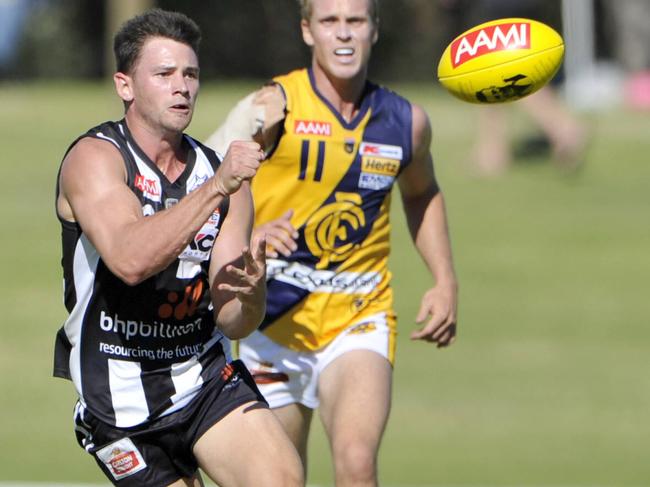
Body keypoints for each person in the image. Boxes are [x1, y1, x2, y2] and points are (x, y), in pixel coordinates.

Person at [206, 0, 458, 484]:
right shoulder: (275, 106)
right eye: (329, 22)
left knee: (357, 463)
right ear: (307, 31)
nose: (343, 35)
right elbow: (210, 185)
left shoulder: (407, 122)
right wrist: (251, 233)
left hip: (358, 314)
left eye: (355, 21)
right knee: (281, 477)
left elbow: (422, 192)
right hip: (270, 319)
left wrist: (445, 280)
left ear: (374, 30)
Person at [52, 9, 303, 487]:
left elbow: (235, 320)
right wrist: (215, 190)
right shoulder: (95, 159)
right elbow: (129, 261)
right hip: (119, 401)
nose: (182, 86)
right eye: (164, 74)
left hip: (203, 377)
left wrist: (250, 290)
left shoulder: (224, 177)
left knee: (282, 479)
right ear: (125, 86)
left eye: (190, 74)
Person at [440, 0, 588, 175]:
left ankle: (563, 128)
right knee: (496, 73)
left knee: (497, 71)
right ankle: (492, 149)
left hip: (501, 5)